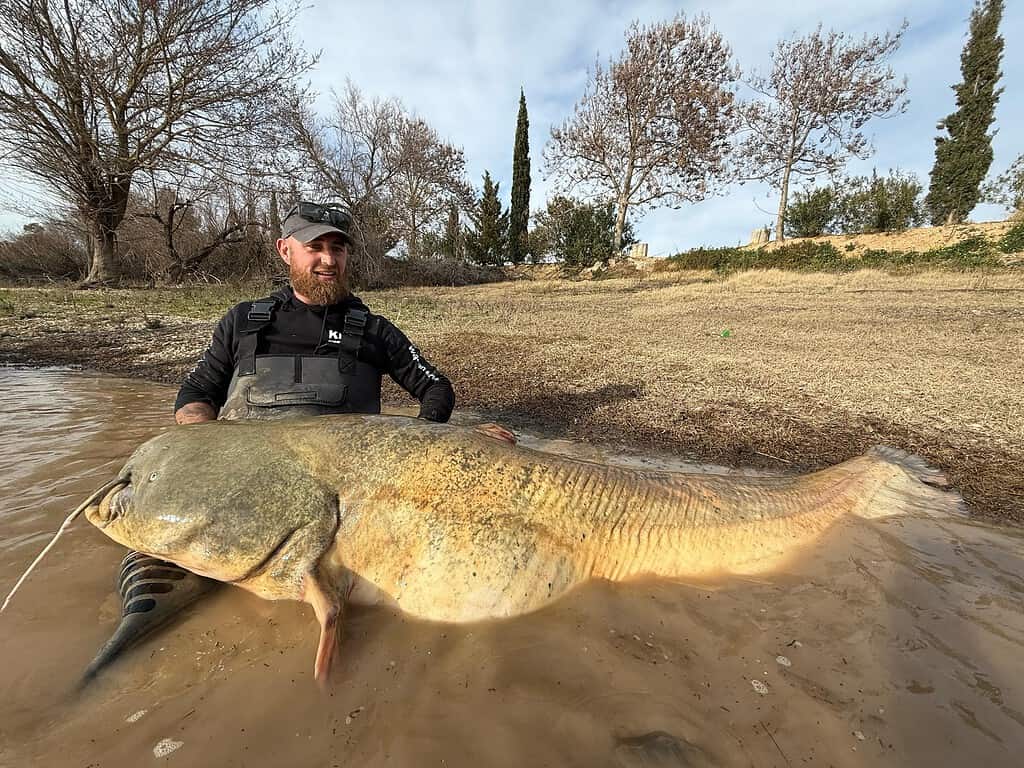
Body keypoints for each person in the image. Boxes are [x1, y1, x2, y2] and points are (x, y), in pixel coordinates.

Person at [174, 201, 457, 426]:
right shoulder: (243, 320)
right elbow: (196, 393)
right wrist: (201, 438)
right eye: (315, 247)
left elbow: (436, 387)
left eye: (338, 249)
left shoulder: (375, 330)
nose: (329, 260)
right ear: (285, 250)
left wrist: (423, 435)